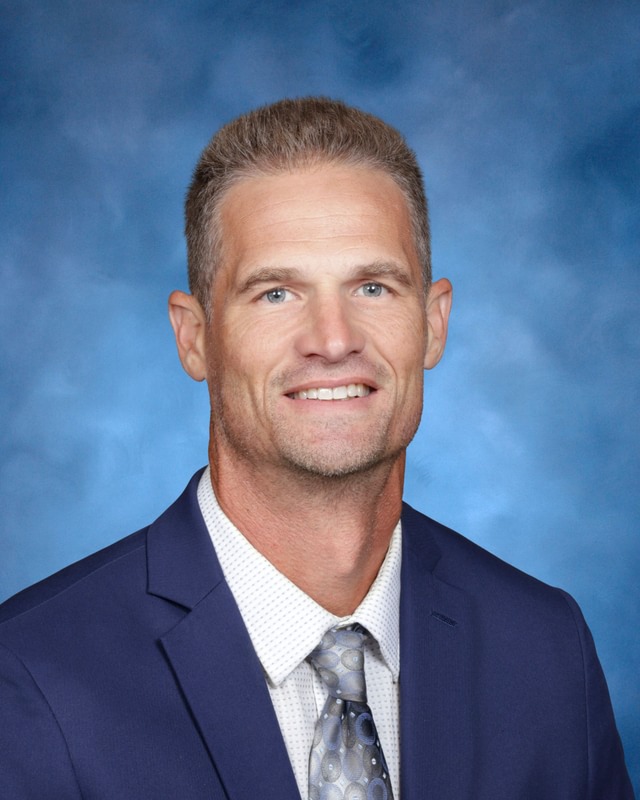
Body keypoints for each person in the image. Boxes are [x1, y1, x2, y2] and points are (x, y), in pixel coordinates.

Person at [0, 97, 633, 799]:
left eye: (372, 286)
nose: (332, 339)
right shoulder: (31, 675)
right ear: (194, 337)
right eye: (275, 293)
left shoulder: (545, 648)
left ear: (432, 323)